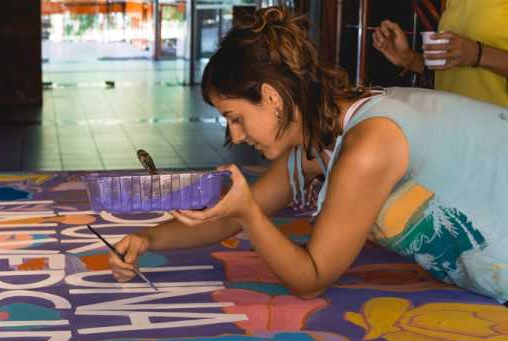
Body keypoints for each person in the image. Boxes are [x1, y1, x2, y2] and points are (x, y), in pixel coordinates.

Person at [108, 7, 508, 304]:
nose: (236, 135)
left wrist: (250, 213)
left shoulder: (369, 142)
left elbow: (312, 278)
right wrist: (147, 239)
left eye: (236, 118)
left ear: (270, 97)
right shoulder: (323, 136)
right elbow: (228, 218)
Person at [372, 0, 508, 107]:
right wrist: (409, 59)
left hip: (495, 127)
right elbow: (455, 70)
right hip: (450, 121)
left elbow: (470, 54)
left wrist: (477, 54)